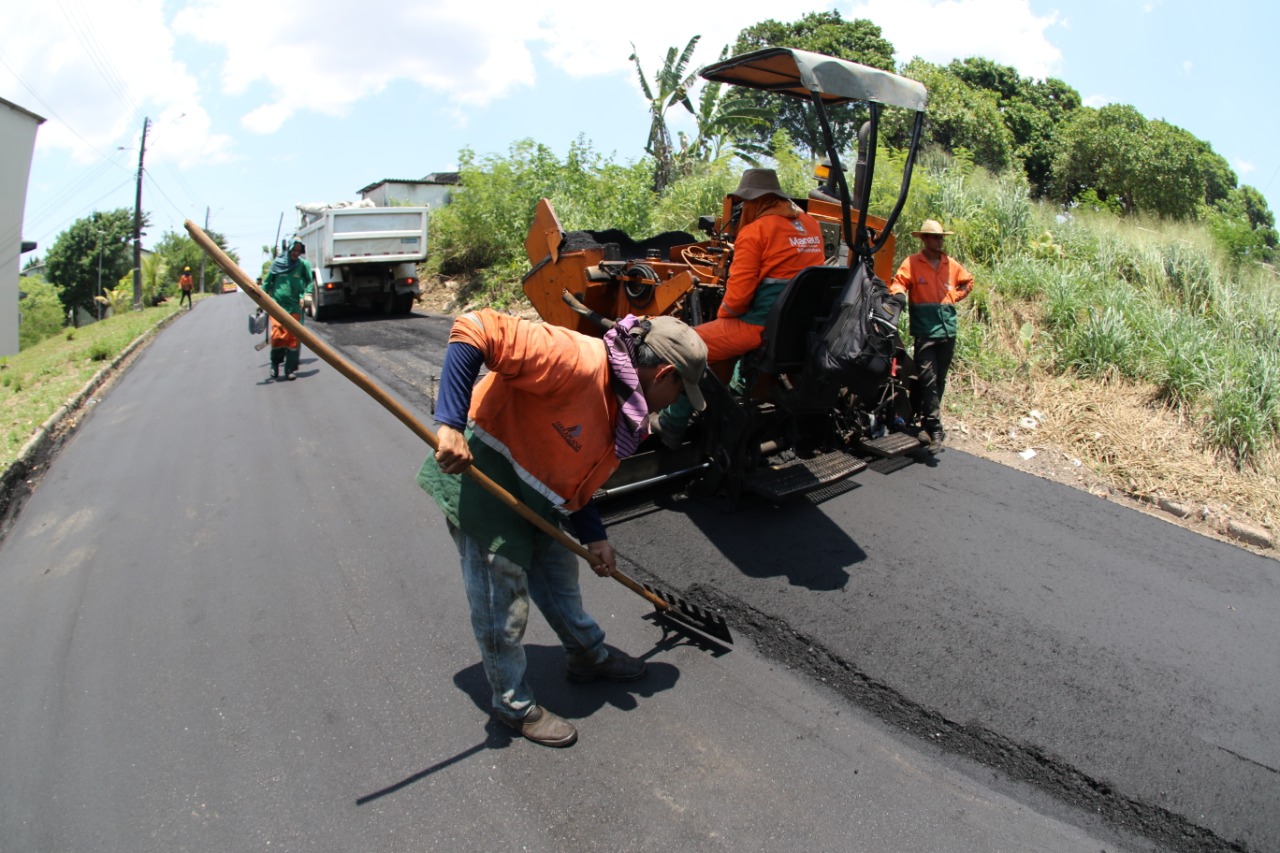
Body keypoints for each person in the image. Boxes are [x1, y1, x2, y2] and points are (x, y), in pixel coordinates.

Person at [418, 309, 708, 747]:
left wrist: (595, 535)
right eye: (680, 390)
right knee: (503, 607)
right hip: (483, 488)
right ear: (664, 373)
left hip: (539, 499)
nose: (676, 401)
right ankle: (512, 705)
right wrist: (450, 424)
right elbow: (474, 328)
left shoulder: (623, 405)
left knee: (560, 581)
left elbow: (579, 472)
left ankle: (587, 656)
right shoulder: (575, 358)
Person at [649, 168, 824, 445]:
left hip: (759, 327)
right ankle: (732, 397)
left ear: (756, 201)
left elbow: (737, 300)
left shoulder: (756, 232)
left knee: (686, 343)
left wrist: (722, 319)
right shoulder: (812, 226)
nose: (744, 208)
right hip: (795, 331)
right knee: (722, 343)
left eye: (745, 203)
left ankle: (672, 423)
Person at [889, 219, 974, 452]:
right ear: (924, 239)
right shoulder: (913, 263)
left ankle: (927, 424)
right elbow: (898, 283)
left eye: (941, 237)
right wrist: (898, 296)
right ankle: (936, 428)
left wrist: (954, 296)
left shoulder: (951, 264)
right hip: (925, 331)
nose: (939, 241)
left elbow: (969, 282)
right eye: (935, 237)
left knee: (939, 380)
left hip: (947, 330)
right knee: (927, 377)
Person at [261, 240, 312, 381]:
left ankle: (290, 368)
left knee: (293, 338)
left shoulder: (303, 265)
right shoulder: (278, 264)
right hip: (278, 306)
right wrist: (259, 300)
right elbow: (267, 283)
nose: (296, 253)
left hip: (295, 306)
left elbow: (309, 281)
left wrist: (307, 294)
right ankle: (275, 363)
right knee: (278, 335)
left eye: (298, 251)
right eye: (293, 251)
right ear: (288, 250)